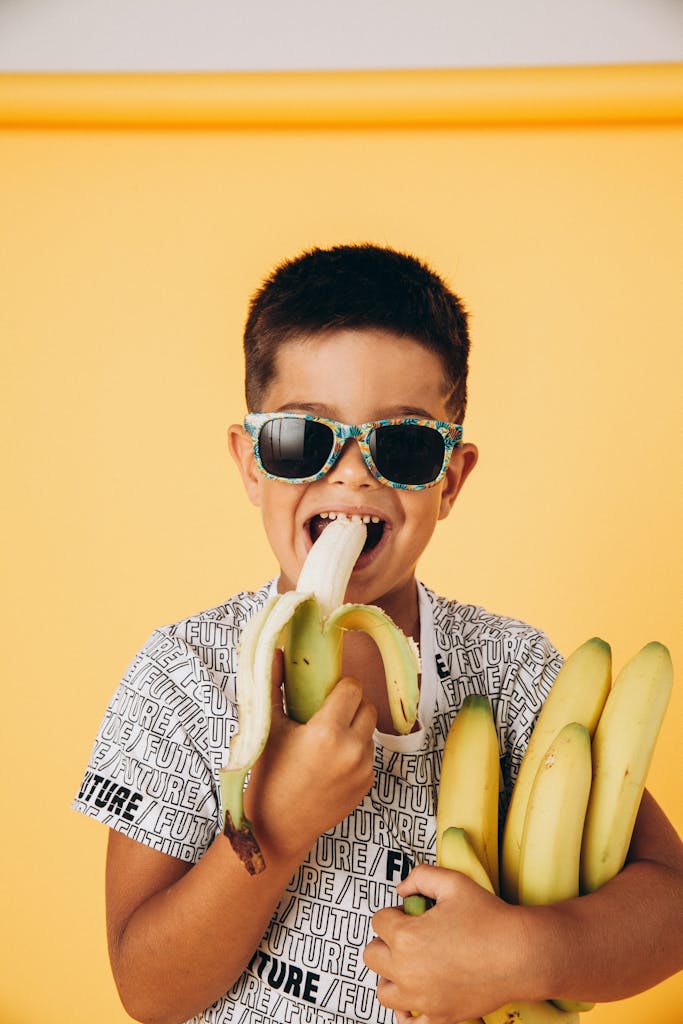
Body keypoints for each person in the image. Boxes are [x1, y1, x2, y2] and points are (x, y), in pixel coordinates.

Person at [73, 243, 683, 1024]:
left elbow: (667, 899)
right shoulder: (183, 676)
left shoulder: (511, 670)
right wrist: (276, 830)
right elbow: (146, 988)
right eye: (303, 439)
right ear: (251, 462)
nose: (353, 475)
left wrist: (520, 953)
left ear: (450, 479)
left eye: (401, 445)